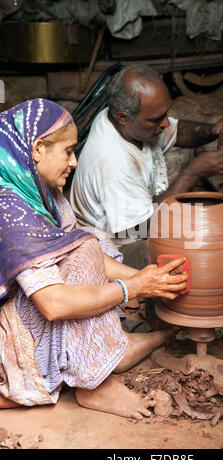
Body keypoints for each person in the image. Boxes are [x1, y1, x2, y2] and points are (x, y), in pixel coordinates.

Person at [0, 98, 189, 420]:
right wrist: (133, 288)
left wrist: (147, 278)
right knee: (84, 248)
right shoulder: (9, 208)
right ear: (37, 149)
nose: (74, 162)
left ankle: (112, 348)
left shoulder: (40, 191)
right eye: (68, 151)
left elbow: (85, 253)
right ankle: (95, 383)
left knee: (88, 240)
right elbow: (54, 303)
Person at [70, 64, 223, 269]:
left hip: (139, 225)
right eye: (157, 119)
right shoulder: (110, 161)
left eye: (165, 114)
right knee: (194, 251)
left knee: (215, 227)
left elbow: (177, 131)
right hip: (113, 251)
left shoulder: (130, 124)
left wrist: (213, 129)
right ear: (123, 117)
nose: (165, 123)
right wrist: (193, 172)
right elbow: (148, 227)